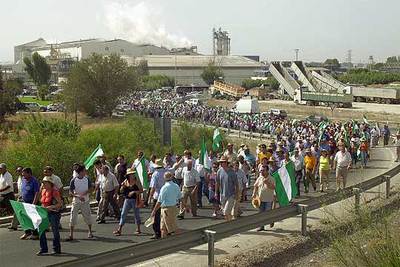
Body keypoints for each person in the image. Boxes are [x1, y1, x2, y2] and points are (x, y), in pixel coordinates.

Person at [149, 158, 181, 239]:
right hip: (169, 197)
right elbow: (175, 167)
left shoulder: (155, 174)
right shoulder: (167, 171)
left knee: (156, 216)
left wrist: (149, 197)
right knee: (167, 219)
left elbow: (153, 187)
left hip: (158, 196)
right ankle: (167, 231)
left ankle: (157, 233)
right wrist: (181, 161)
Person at [67, 164, 94, 241]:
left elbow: (91, 188)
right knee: (73, 217)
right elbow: (70, 192)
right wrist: (78, 196)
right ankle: (71, 234)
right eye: (84, 170)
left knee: (87, 216)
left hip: (85, 201)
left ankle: (90, 231)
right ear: (80, 172)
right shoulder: (74, 180)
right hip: (76, 201)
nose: (85, 171)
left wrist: (86, 192)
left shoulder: (87, 179)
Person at [113, 168, 143, 236]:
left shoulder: (136, 181)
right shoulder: (126, 181)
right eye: (131, 174)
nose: (132, 175)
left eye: (133, 174)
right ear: (128, 175)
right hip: (127, 199)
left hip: (135, 200)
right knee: (123, 214)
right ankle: (119, 229)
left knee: (136, 214)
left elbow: (141, 190)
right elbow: (121, 191)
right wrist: (122, 187)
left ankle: (138, 229)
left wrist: (134, 192)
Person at [37, 176, 62, 256]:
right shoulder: (43, 191)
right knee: (41, 230)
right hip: (44, 213)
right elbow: (42, 201)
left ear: (50, 184)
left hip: (53, 213)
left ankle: (56, 249)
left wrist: (51, 207)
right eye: (43, 183)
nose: (43, 184)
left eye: (45, 183)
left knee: (55, 231)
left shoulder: (54, 191)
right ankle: (43, 249)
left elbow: (60, 204)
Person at [215, 156, 239, 221]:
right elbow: (217, 182)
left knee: (226, 211)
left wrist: (237, 194)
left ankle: (229, 224)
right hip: (222, 195)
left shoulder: (232, 172)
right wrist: (216, 193)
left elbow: (236, 184)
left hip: (231, 195)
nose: (223, 163)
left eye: (224, 162)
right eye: (221, 162)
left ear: (227, 163)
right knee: (225, 213)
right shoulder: (219, 171)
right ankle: (229, 224)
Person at [19, 167, 40, 240]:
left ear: (29, 173)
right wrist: (20, 197)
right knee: (24, 217)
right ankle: (27, 232)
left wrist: (33, 203)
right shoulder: (23, 180)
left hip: (32, 202)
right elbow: (22, 189)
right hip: (24, 202)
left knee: (33, 218)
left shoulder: (34, 181)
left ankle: (35, 234)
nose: (23, 175)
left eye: (24, 174)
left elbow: (37, 193)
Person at [252, 166, 275, 231]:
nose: (261, 172)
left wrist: (267, 183)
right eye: (261, 170)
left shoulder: (271, 178)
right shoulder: (260, 178)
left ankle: (271, 220)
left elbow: (273, 187)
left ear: (267, 171)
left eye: (263, 170)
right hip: (260, 199)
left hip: (268, 199)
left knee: (267, 213)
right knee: (261, 213)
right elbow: (255, 186)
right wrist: (254, 193)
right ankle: (261, 226)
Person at [9, 166, 23, 230]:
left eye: (19, 171)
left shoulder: (26, 178)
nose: (18, 172)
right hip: (20, 197)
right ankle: (14, 225)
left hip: (25, 197)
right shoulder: (19, 178)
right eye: (17, 171)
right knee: (16, 210)